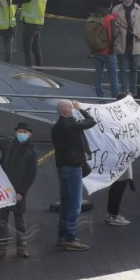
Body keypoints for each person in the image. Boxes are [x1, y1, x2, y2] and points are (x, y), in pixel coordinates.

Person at [51, 100, 97, 251]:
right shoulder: (72, 125)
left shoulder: (56, 127)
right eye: (71, 108)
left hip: (62, 167)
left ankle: (62, 235)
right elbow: (91, 121)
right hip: (73, 167)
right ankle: (71, 238)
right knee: (75, 205)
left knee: (65, 203)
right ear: (66, 111)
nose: (73, 110)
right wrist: (81, 109)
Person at [0, 123, 38, 258]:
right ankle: (1, 249)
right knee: (2, 222)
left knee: (20, 222)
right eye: (20, 131)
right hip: (4, 190)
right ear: (16, 132)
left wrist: (21, 192)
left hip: (18, 192)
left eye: (25, 132)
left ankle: (21, 247)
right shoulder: (8, 144)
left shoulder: (32, 152)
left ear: (30, 134)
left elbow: (31, 174)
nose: (22, 134)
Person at [106, 93, 136, 226]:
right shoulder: (120, 117)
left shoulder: (117, 115)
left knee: (119, 184)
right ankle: (113, 214)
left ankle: (112, 213)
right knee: (119, 184)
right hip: (120, 155)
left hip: (122, 154)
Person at [113, 0, 140, 95]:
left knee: (135, 69)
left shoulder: (138, 9)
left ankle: (134, 91)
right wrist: (116, 28)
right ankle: (124, 90)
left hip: (135, 43)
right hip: (122, 42)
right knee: (122, 69)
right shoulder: (116, 9)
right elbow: (112, 22)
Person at [14, 0, 47, 67]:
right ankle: (39, 68)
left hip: (29, 24)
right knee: (36, 48)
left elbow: (15, 0)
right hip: (39, 24)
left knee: (26, 48)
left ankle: (29, 68)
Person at [90, 0, 119, 98]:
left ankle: (100, 97)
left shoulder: (94, 16)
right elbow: (112, 37)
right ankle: (115, 98)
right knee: (113, 77)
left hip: (97, 50)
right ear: (109, 4)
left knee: (98, 74)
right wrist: (117, 32)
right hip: (108, 52)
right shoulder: (109, 18)